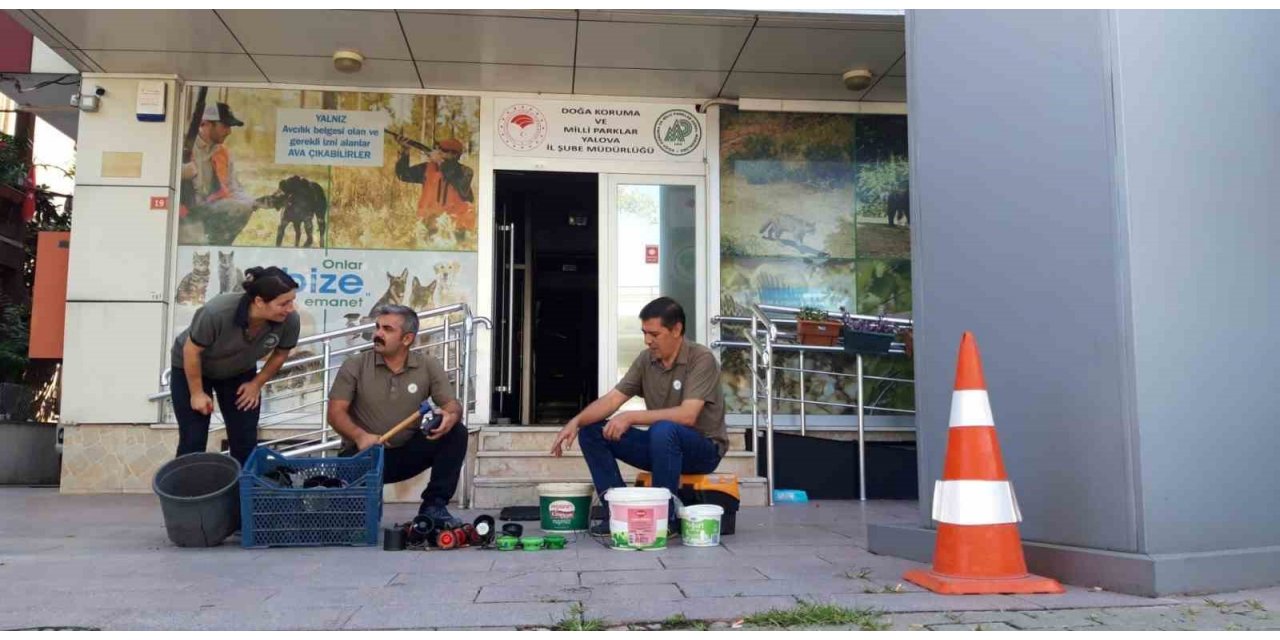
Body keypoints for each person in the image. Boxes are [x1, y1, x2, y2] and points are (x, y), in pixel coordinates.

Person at [550, 297, 729, 535]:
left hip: (702, 449)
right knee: (593, 432)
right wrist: (576, 421)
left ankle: (664, 519)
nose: (648, 341)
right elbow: (613, 399)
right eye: (644, 333)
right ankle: (617, 513)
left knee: (664, 429)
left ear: (676, 330)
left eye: (654, 334)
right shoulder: (646, 360)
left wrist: (631, 417)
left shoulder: (701, 359)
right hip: (662, 447)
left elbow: (687, 416)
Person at [327, 304, 467, 526]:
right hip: (363, 456)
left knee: (456, 432)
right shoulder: (355, 364)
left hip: (406, 454)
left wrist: (450, 415)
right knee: (351, 526)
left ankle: (434, 507)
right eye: (377, 327)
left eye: (387, 329)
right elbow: (335, 413)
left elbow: (452, 405)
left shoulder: (428, 365)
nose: (377, 334)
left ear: (407, 339)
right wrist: (360, 436)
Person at [170, 266, 301, 465]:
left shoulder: (289, 320)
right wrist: (196, 393)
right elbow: (191, 350)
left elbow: (281, 353)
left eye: (292, 301)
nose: (291, 308)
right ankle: (185, 493)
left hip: (239, 370)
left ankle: (243, 494)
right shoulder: (217, 312)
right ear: (259, 301)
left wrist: (256, 384)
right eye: (284, 303)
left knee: (245, 439)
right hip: (194, 367)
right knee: (193, 438)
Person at [178, 102, 257, 246]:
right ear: (206, 124)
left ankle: (217, 248)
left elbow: (234, 188)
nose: (229, 132)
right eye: (225, 126)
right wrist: (181, 172)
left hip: (206, 210)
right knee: (196, 249)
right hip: (182, 214)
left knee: (241, 209)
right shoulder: (180, 144)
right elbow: (157, 177)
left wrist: (254, 202)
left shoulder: (222, 152)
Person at [393, 137, 476, 243]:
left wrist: (440, 162)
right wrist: (405, 151)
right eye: (439, 148)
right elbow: (402, 175)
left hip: (456, 227)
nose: (439, 151)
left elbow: (461, 186)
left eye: (444, 150)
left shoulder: (465, 171)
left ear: (455, 154)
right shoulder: (427, 168)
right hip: (429, 224)